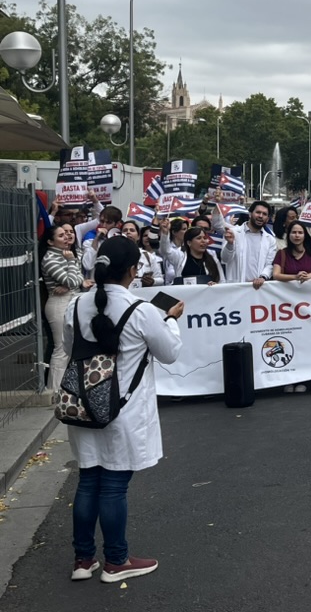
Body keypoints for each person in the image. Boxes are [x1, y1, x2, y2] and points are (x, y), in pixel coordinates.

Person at [65, 236, 183, 583]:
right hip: (123, 411)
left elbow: (72, 350)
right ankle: (116, 561)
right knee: (114, 485)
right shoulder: (142, 310)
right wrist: (171, 320)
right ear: (134, 270)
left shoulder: (76, 304)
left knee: (89, 480)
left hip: (84, 406)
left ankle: (83, 560)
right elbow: (170, 352)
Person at [272, 222, 311, 393]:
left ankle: (303, 378)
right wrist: (295, 277)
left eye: (300, 232)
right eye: (293, 232)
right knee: (288, 341)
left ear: (305, 235)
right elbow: (276, 275)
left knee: (305, 342)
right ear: (288, 235)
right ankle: (288, 379)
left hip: (307, 307)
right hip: (286, 307)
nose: (297, 235)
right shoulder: (282, 254)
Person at [40, 223, 93, 391]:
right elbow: (74, 281)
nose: (67, 237)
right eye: (61, 235)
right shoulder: (50, 258)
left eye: (68, 234)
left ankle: (67, 389)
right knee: (61, 349)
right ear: (50, 241)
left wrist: (71, 280)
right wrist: (71, 267)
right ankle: (54, 391)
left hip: (72, 300)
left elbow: (77, 279)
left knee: (72, 348)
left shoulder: (68, 254)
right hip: (58, 303)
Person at [221, 201, 277, 288]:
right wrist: (230, 244)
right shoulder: (233, 233)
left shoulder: (270, 240)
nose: (260, 216)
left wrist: (262, 277)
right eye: (258, 212)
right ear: (250, 214)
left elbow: (269, 264)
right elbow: (225, 259)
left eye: (264, 214)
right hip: (236, 287)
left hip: (258, 288)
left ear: (267, 218)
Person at [119, 220, 164, 289]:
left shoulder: (148, 256)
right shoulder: (116, 255)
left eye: (132, 230)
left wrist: (153, 281)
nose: (128, 232)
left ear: (138, 236)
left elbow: (161, 279)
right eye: (125, 230)